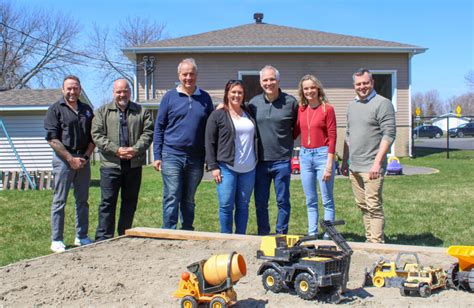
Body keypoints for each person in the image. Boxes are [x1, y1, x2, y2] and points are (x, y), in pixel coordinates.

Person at [153, 58, 214, 230]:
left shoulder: (205, 98)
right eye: (185, 74)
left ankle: (187, 230)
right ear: (179, 75)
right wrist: (157, 155)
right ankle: (169, 231)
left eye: (192, 74)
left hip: (196, 157)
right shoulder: (169, 97)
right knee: (172, 195)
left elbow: (211, 129)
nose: (188, 77)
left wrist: (210, 158)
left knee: (189, 198)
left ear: (196, 75)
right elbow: (159, 127)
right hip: (172, 155)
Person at [92, 79, 154, 240]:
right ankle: (103, 238)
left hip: (133, 165)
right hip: (110, 165)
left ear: (130, 92)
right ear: (113, 93)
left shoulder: (142, 112)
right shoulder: (102, 112)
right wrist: (116, 150)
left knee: (130, 202)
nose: (122, 94)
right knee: (107, 203)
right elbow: (97, 135)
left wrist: (135, 149)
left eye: (125, 91)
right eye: (118, 91)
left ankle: (124, 235)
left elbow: (148, 133)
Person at [341, 68, 396, 244]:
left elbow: (389, 134)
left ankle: (376, 243)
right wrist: (344, 161)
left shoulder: (383, 103)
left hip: (372, 166)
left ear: (372, 83)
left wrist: (377, 163)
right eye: (358, 84)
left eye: (365, 83)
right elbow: (348, 135)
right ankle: (370, 238)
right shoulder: (352, 106)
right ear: (354, 86)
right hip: (354, 166)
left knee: (373, 206)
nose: (362, 87)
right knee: (363, 206)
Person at [44, 75, 95, 252]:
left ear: (80, 89)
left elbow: (93, 137)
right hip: (63, 161)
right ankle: (57, 239)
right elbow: (52, 138)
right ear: (63, 89)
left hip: (83, 161)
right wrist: (70, 159)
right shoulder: (55, 109)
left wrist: (85, 158)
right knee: (60, 201)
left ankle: (81, 236)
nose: (72, 92)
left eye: (75, 88)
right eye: (69, 88)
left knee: (83, 201)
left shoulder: (87, 110)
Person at [247, 65, 298, 235]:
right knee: (260, 202)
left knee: (283, 201)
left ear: (278, 80)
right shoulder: (254, 103)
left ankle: (281, 233)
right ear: (261, 82)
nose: (269, 83)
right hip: (260, 161)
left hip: (282, 160)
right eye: (265, 80)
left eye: (272, 79)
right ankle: (263, 233)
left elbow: (297, 127)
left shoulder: (290, 102)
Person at [205, 80, 258, 234]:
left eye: (240, 92)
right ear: (227, 93)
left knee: (243, 205)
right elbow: (209, 142)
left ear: (244, 95)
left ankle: (240, 236)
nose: (236, 95)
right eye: (233, 92)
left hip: (249, 168)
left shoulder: (249, 113)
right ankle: (226, 236)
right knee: (226, 205)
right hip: (226, 167)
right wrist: (213, 166)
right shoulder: (218, 115)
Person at [293, 74, 337, 238]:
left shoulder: (328, 109)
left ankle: (328, 235)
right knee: (310, 200)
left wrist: (329, 165)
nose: (309, 91)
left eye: (312, 87)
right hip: (305, 156)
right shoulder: (301, 109)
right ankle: (312, 234)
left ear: (318, 88)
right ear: (302, 91)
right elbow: (294, 131)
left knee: (327, 199)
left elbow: (332, 137)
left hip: (323, 155)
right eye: (306, 88)